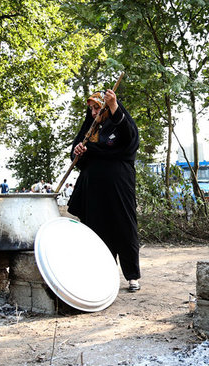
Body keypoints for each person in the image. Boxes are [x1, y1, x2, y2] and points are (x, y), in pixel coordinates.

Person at [67, 89, 141, 292]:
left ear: (107, 106)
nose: (93, 112)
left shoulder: (120, 122)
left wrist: (114, 106)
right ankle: (104, 274)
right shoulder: (90, 127)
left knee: (124, 226)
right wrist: (78, 151)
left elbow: (129, 139)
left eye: (97, 107)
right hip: (93, 187)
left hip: (119, 184)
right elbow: (77, 151)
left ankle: (132, 276)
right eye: (90, 108)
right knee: (97, 229)